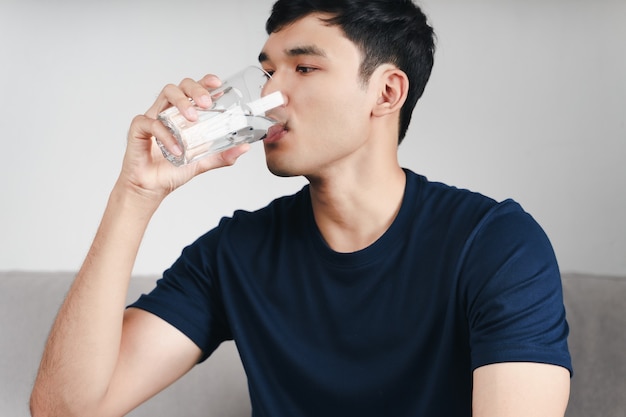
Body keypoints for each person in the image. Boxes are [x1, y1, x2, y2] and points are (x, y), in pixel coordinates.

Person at [30, 0, 572, 416]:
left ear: (386, 93)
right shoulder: (235, 253)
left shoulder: (497, 245)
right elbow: (64, 409)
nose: (269, 95)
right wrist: (136, 194)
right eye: (267, 71)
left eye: (304, 69)